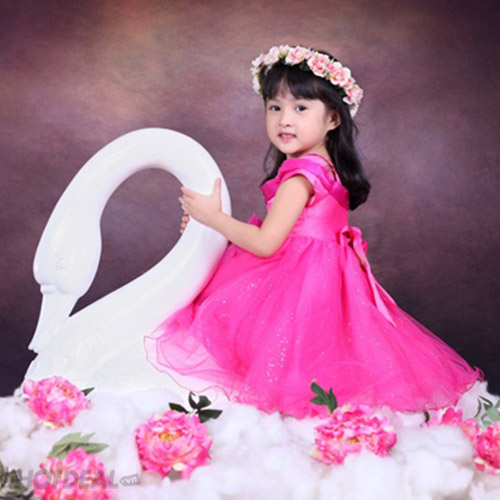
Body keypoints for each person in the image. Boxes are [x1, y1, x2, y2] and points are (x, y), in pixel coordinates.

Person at [144, 44, 484, 419]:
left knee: (254, 342)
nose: (284, 120)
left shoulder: (301, 176)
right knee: (325, 364)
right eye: (275, 107)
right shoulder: (326, 167)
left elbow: (267, 243)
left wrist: (212, 217)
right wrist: (218, 233)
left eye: (301, 108)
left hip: (300, 282)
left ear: (334, 119)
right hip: (329, 280)